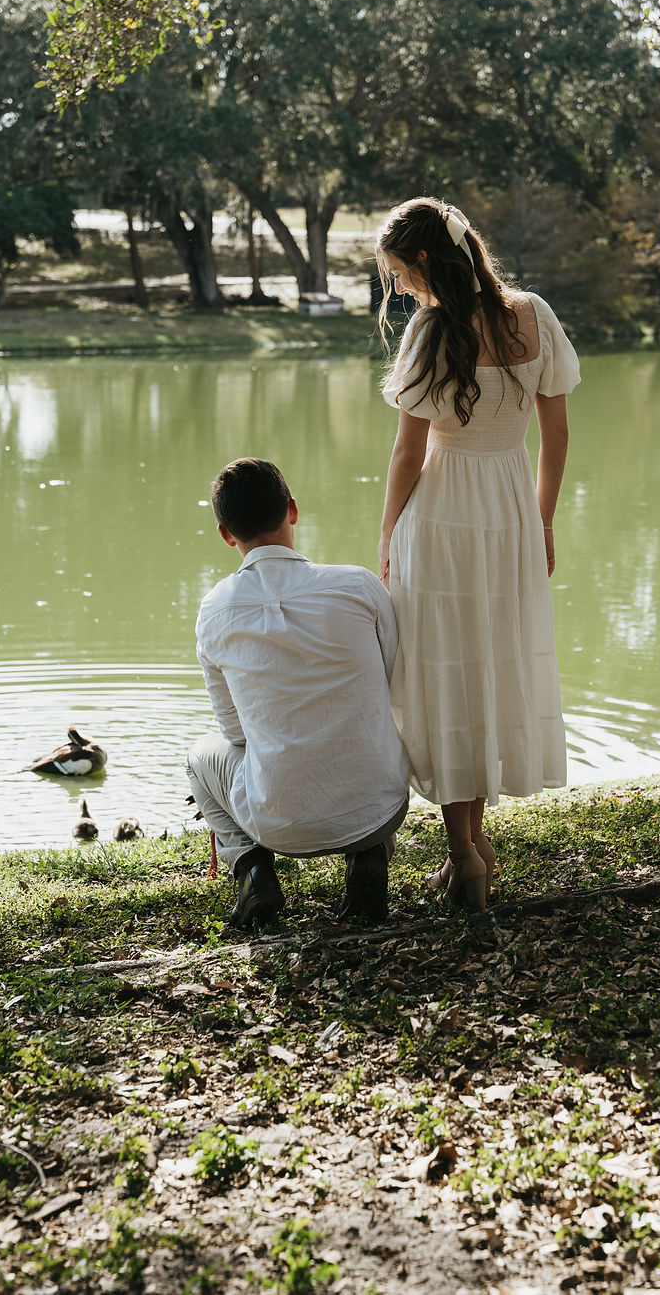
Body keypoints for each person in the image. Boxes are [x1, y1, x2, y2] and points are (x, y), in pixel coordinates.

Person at [376, 197, 581, 910]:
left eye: (399, 272)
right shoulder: (533, 313)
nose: (398, 288)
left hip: (437, 513)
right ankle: (475, 846)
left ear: (426, 260)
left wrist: (385, 538)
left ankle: (464, 852)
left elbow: (407, 455)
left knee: (442, 675)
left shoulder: (431, 329)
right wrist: (543, 522)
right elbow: (556, 436)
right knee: (489, 669)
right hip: (508, 508)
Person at [188, 458, 411, 929]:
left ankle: (253, 869)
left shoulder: (213, 610)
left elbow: (234, 731)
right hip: (378, 807)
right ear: (292, 510)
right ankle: (369, 857)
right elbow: (393, 680)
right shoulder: (360, 586)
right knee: (366, 725)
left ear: (226, 534)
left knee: (199, 757)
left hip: (277, 823)